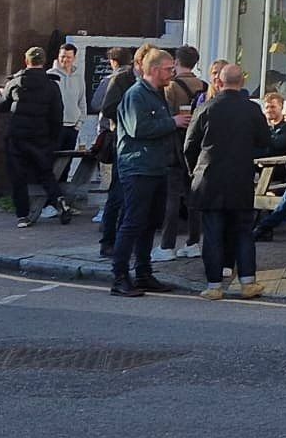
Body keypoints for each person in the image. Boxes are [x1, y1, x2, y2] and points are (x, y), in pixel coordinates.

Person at [182, 63, 270, 301]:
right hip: (240, 178)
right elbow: (264, 140)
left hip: (209, 178)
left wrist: (195, 171)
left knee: (212, 233)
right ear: (242, 83)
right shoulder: (252, 110)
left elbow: (189, 145)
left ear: (219, 83)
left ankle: (214, 286)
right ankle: (248, 282)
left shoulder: (206, 108)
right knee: (243, 231)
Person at [111, 48, 188, 297]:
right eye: (168, 69)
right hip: (138, 167)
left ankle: (143, 273)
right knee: (133, 222)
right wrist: (172, 122)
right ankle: (120, 276)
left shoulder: (157, 94)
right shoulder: (136, 95)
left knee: (150, 223)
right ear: (154, 70)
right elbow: (137, 128)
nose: (172, 73)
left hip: (156, 166)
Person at [0, 47, 71, 228]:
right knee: (46, 173)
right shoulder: (52, 85)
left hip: (17, 138)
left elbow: (0, 106)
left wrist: (2, 93)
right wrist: (53, 139)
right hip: (41, 137)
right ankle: (59, 199)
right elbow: (57, 115)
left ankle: (23, 215)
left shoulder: (16, 82)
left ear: (26, 61)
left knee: (18, 177)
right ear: (43, 62)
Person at [157, 47, 206, 262]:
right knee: (193, 197)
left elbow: (166, 116)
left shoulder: (171, 88)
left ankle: (167, 245)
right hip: (197, 149)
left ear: (176, 61)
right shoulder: (205, 86)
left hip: (175, 147)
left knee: (172, 198)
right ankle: (193, 242)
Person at [97, 46, 142, 256]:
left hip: (140, 145)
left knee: (131, 196)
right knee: (117, 193)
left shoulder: (150, 83)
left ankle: (125, 241)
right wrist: (131, 115)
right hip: (121, 141)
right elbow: (106, 108)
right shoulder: (121, 79)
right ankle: (108, 241)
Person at [252, 94, 286, 241]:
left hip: (282, 174)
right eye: (267, 107)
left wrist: (264, 146)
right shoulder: (263, 128)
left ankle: (263, 229)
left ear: (281, 108)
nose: (269, 110)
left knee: (263, 191)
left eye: (273, 107)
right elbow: (254, 148)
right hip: (262, 173)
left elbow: (279, 145)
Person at [51, 42, 85, 151]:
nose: (65, 60)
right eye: (62, 56)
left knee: (67, 163)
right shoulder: (50, 75)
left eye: (68, 57)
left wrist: (79, 123)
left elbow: (82, 101)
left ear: (74, 58)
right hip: (56, 127)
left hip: (73, 128)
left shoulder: (78, 77)